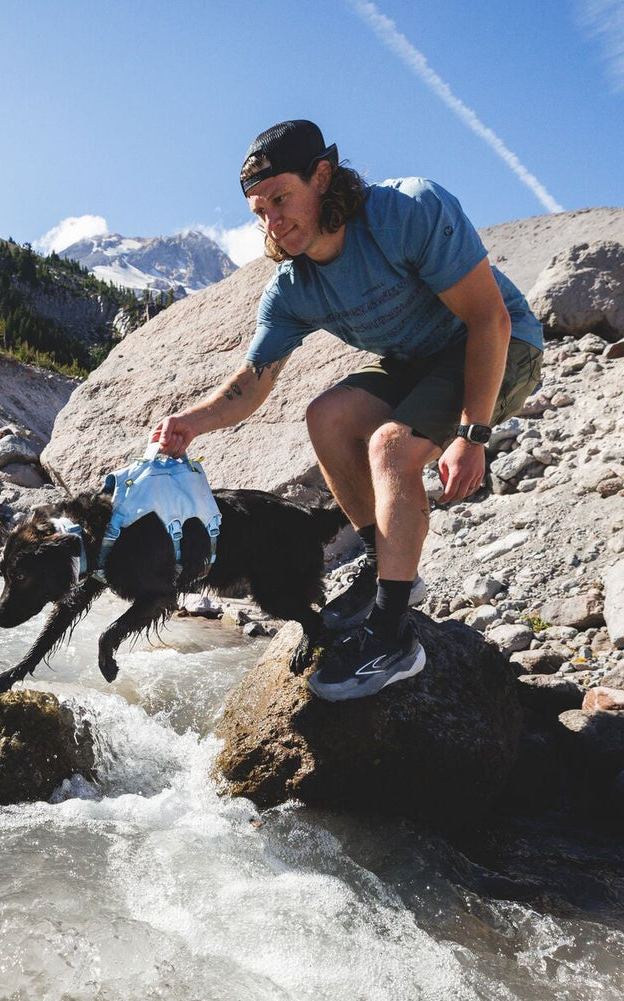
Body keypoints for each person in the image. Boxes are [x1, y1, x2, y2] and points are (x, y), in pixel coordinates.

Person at [149, 119, 544, 701]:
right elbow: (252, 383)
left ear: (323, 176)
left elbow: (491, 320)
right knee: (327, 415)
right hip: (417, 359)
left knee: (391, 447)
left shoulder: (406, 211)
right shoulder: (293, 287)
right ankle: (386, 568)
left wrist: (473, 434)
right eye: (259, 211)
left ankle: (393, 637)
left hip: (498, 349)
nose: (272, 222)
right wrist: (189, 422)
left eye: (281, 199)